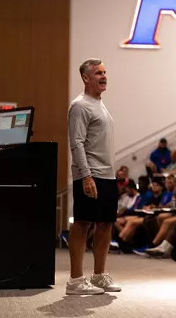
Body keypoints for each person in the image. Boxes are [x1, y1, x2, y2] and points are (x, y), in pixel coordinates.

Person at [67, 58, 121, 295]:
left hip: (107, 176)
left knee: (106, 224)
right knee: (82, 223)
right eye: (98, 73)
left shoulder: (100, 104)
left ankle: (99, 275)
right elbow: (77, 143)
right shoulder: (80, 106)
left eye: (105, 72)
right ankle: (75, 281)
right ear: (85, 78)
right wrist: (86, 175)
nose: (104, 76)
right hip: (90, 175)